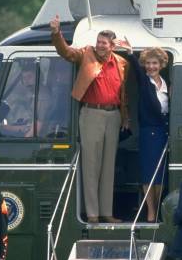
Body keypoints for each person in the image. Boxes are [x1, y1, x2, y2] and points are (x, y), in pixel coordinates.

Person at [50, 14, 130, 224]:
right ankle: (92, 214)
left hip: (113, 115)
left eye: (104, 43)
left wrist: (125, 117)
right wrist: (56, 33)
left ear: (113, 45)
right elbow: (66, 52)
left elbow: (123, 94)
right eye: (98, 42)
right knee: (91, 164)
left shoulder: (121, 63)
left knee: (108, 166)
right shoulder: (86, 53)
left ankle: (106, 213)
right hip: (91, 113)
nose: (100, 46)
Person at [114, 38, 169, 222]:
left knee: (161, 174)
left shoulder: (166, 83)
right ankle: (151, 210)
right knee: (148, 172)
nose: (151, 66)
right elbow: (137, 71)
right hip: (149, 132)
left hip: (163, 132)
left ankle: (158, 205)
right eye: (148, 63)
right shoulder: (145, 81)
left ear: (161, 64)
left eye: (155, 63)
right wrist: (131, 52)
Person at [0, 60, 37, 138]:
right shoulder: (33, 96)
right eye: (24, 78)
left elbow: (33, 128)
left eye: (29, 77)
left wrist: (5, 127)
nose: (26, 81)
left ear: (38, 77)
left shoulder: (42, 97)